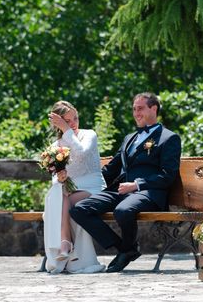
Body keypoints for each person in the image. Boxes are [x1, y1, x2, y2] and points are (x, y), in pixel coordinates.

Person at [70, 92, 181, 273]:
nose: (136, 113)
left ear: (154, 109)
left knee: (123, 210)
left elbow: (168, 175)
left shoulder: (169, 138)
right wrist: (80, 184)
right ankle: (126, 249)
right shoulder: (129, 138)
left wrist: (137, 185)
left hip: (148, 193)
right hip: (121, 191)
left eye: (141, 109)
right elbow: (111, 169)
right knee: (79, 209)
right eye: (134, 109)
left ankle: (126, 250)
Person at [43, 101, 107, 274]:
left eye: (75, 119)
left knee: (65, 199)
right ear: (58, 123)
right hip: (70, 191)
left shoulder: (89, 135)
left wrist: (67, 131)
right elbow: (54, 179)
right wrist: (61, 178)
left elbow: (82, 152)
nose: (73, 124)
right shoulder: (55, 146)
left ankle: (65, 244)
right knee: (59, 196)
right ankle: (65, 245)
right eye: (67, 121)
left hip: (93, 187)